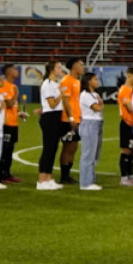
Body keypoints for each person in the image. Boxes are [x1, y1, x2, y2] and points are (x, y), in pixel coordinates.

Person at [36, 59, 68, 190]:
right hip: (50, 118)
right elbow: (52, 104)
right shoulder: (47, 84)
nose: (61, 70)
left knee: (53, 149)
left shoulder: (56, 83)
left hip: (56, 117)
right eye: (59, 67)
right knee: (48, 150)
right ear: (52, 70)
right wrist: (62, 95)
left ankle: (48, 178)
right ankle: (41, 180)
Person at [0, 63, 22, 183]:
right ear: (8, 72)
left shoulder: (13, 86)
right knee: (4, 149)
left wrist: (19, 113)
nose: (17, 71)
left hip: (13, 123)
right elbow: (8, 104)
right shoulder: (4, 86)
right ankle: (1, 175)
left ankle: (7, 173)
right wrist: (16, 94)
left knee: (10, 150)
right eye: (14, 69)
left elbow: (12, 106)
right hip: (6, 123)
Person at [75, 69, 105, 191]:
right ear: (88, 81)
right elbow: (97, 108)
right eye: (95, 79)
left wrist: (100, 104)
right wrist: (101, 104)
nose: (97, 81)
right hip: (89, 124)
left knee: (94, 154)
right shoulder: (85, 95)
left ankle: (90, 180)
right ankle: (85, 183)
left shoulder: (94, 94)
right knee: (88, 154)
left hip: (96, 123)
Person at [58, 56, 84, 184]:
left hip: (77, 118)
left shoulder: (78, 81)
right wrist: (71, 118)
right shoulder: (66, 80)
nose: (83, 67)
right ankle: (64, 176)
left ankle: (68, 174)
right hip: (67, 120)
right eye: (81, 64)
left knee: (74, 146)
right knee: (67, 147)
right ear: (73, 66)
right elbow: (66, 101)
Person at [116, 73, 133, 185]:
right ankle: (124, 178)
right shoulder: (124, 90)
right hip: (127, 123)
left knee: (132, 150)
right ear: (129, 76)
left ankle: (130, 175)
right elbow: (129, 107)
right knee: (126, 150)